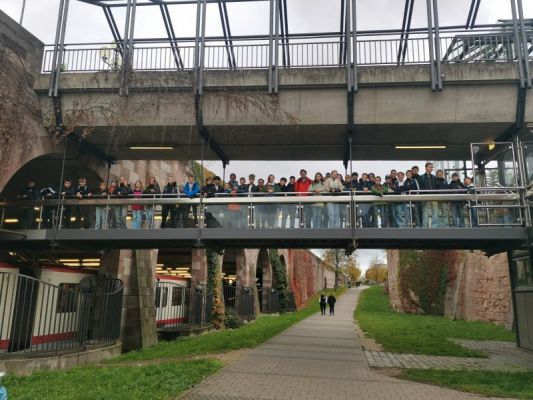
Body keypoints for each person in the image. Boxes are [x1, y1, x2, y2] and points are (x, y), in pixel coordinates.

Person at [419, 162, 439, 228]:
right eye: (430, 167)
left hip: (434, 197)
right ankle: (425, 227)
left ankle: (434, 227)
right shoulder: (421, 177)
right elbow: (420, 188)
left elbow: (437, 187)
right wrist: (423, 196)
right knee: (425, 213)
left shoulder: (434, 177)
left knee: (435, 212)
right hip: (425, 197)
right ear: (426, 167)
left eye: (432, 167)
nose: (431, 168)